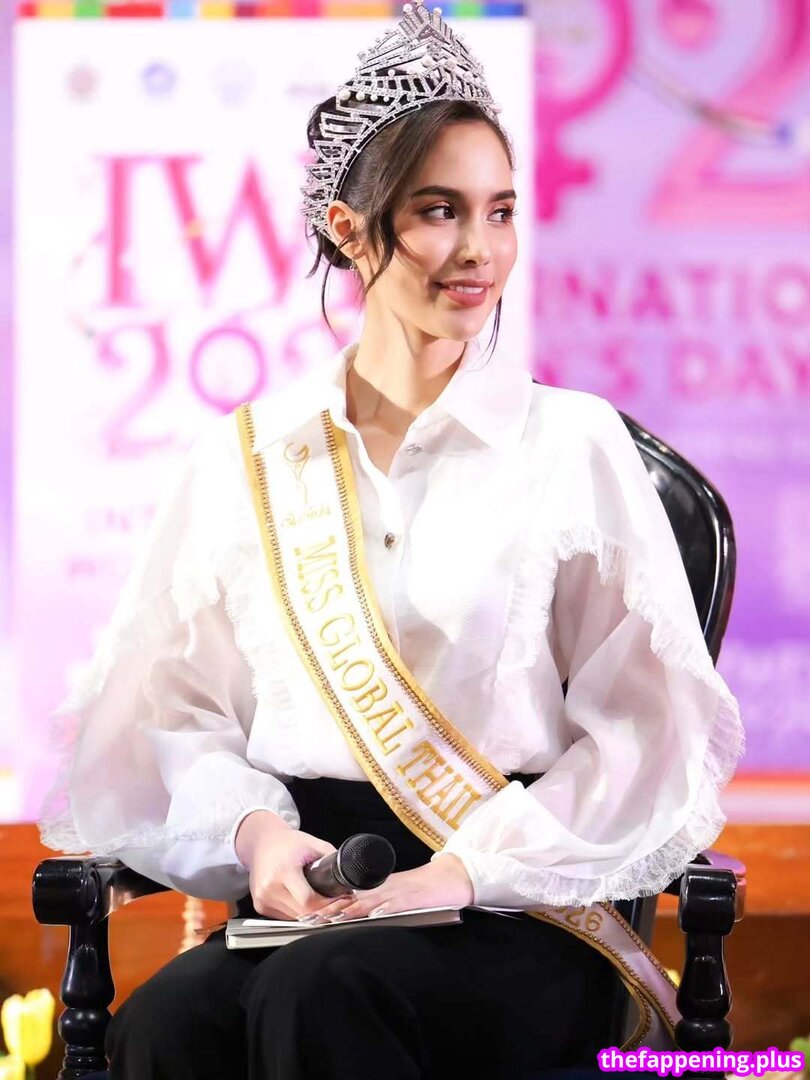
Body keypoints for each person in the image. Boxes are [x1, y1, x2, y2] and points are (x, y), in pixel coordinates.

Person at [38, 2, 745, 1077]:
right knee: (170, 1024)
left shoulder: (570, 446)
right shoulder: (250, 457)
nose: (479, 250)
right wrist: (258, 838)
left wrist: (459, 871)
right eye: (438, 211)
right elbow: (176, 714)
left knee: (325, 994)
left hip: (514, 905)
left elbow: (644, 735)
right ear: (348, 228)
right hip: (317, 891)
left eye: (500, 211)